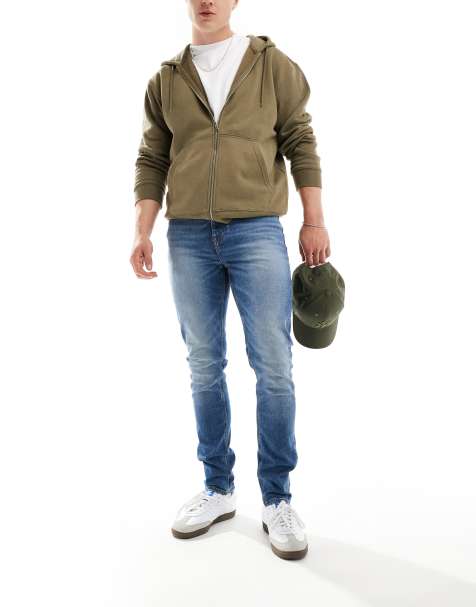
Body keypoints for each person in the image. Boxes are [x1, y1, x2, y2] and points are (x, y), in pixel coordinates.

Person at [130, 0, 331, 561]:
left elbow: (300, 139)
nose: (207, 1)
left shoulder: (270, 64)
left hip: (257, 229)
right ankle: (217, 487)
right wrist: (142, 230)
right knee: (203, 363)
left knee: (273, 364)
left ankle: (277, 498)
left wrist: (313, 220)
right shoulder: (166, 79)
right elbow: (152, 158)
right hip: (188, 235)